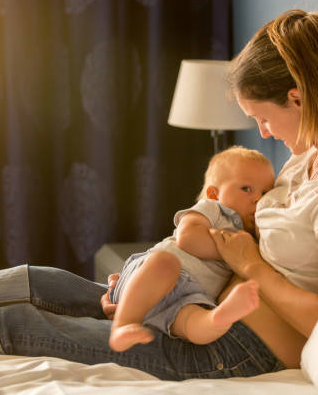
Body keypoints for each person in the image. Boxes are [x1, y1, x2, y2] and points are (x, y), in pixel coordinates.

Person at [0, 9, 318, 380]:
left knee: (16, 323)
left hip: (231, 349)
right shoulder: (307, 159)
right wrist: (147, 284)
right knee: (42, 280)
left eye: (262, 118)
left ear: (296, 98)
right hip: (192, 304)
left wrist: (251, 266)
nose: (264, 132)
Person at [109, 146, 274, 351]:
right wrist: (232, 253)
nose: (258, 198)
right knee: (164, 262)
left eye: (265, 192)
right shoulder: (213, 210)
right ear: (214, 194)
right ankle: (123, 325)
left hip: (190, 297)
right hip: (156, 275)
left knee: (195, 320)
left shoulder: (255, 236)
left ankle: (219, 318)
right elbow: (187, 238)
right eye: (246, 189)